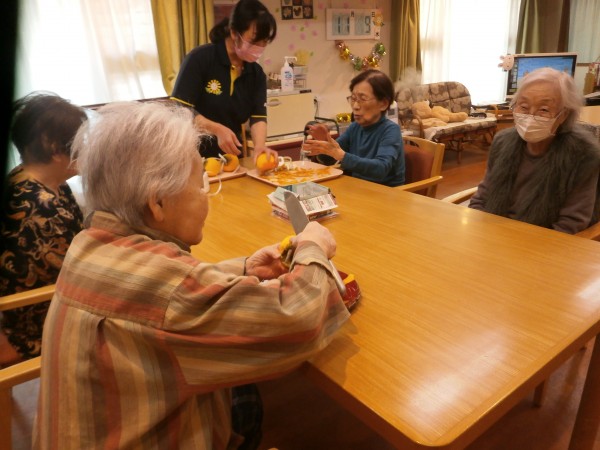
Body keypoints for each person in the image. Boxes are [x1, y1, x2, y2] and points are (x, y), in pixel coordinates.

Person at [33, 101, 350, 450]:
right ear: (157, 202)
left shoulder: (90, 243)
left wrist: (244, 268)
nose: (206, 194)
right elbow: (298, 319)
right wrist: (313, 245)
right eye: (201, 182)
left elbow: (164, 293)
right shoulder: (169, 289)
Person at [0, 92, 86, 367]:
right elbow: (79, 271)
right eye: (80, 140)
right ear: (53, 146)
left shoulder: (35, 179)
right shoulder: (40, 206)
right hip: (34, 321)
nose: (86, 147)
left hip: (30, 304)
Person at [469, 67, 600, 234]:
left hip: (540, 241)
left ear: (563, 115)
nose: (530, 116)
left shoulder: (583, 155)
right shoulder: (502, 142)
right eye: (523, 106)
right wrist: (478, 232)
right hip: (493, 233)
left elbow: (571, 223)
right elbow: (481, 198)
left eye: (543, 109)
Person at [171, 0, 278, 164]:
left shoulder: (256, 73)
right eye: (254, 41)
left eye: (264, 42)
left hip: (231, 158)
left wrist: (259, 146)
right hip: (194, 157)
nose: (259, 48)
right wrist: (216, 129)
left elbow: (258, 117)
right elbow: (180, 109)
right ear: (234, 33)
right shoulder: (200, 59)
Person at [302, 69, 405, 187]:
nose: (355, 106)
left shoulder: (391, 130)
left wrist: (342, 156)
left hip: (387, 193)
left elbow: (381, 169)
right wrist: (324, 143)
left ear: (383, 104)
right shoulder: (355, 127)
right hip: (358, 188)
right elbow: (330, 160)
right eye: (353, 99)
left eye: (362, 99)